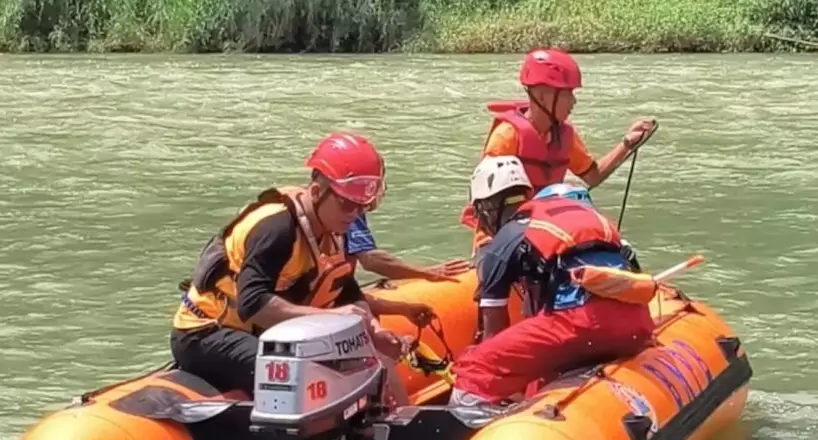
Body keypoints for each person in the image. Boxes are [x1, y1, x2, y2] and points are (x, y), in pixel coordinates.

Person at [171, 131, 428, 406]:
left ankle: (396, 422)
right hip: (207, 334)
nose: (355, 214)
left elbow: (344, 290)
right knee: (296, 375)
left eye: (363, 206)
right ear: (317, 192)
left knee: (374, 361)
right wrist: (329, 317)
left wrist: (374, 333)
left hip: (258, 332)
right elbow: (252, 304)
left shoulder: (332, 231)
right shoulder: (277, 228)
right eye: (347, 204)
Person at [449, 156, 656, 407]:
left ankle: (487, 425)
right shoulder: (569, 217)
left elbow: (493, 334)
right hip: (637, 323)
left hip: (581, 324)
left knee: (474, 369)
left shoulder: (503, 243)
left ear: (487, 208)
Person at [463, 47, 656, 260]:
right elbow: (489, 209)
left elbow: (593, 176)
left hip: (543, 230)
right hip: (500, 239)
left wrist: (626, 144)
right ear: (542, 95)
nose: (573, 101)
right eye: (567, 93)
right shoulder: (507, 137)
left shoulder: (564, 135)